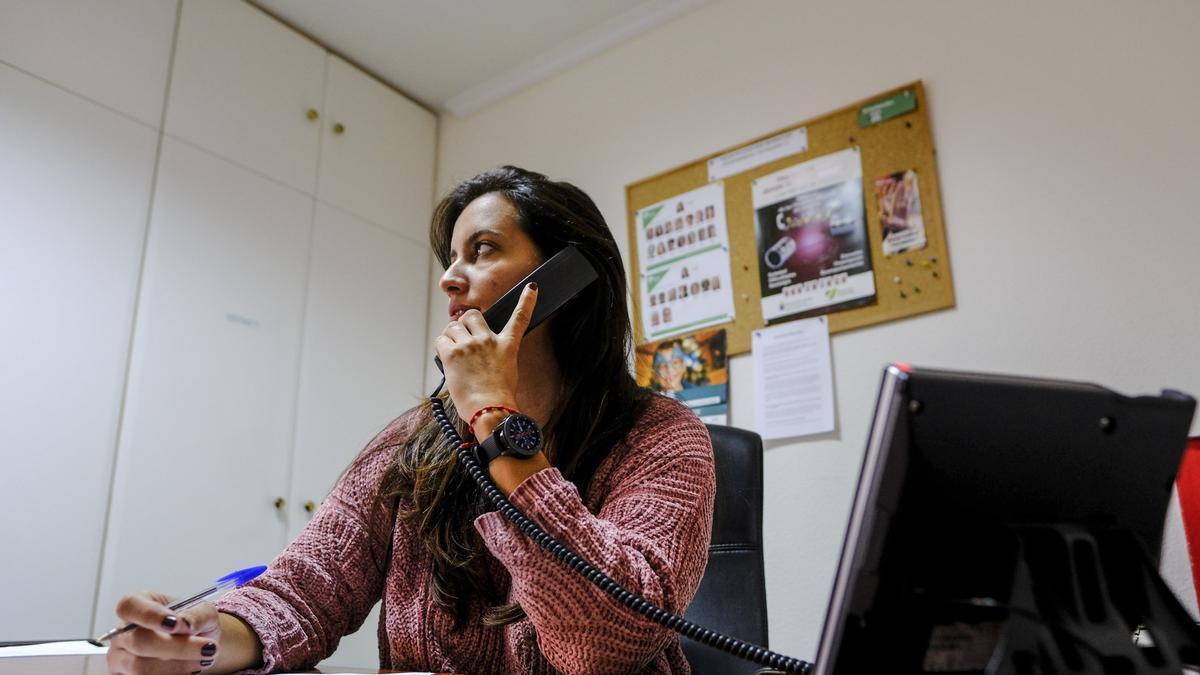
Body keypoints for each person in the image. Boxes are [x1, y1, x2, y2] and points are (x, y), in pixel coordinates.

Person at [104, 166, 716, 675]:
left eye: (482, 250)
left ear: (567, 276)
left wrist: (495, 418)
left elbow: (605, 646)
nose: (449, 278)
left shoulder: (662, 437)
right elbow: (304, 592)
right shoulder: (415, 440)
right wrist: (199, 642)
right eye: (450, 258)